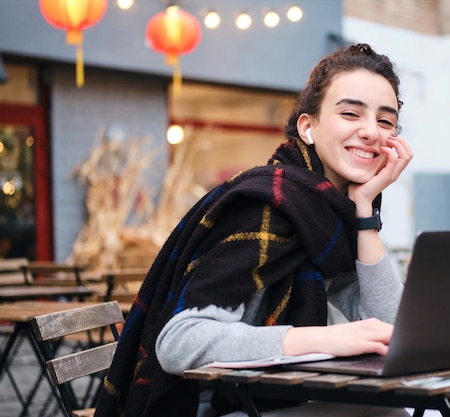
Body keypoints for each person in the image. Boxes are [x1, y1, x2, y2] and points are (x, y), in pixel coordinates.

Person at [94, 43, 413, 417]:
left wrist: (364, 212)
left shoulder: (328, 216)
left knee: (390, 413)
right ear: (308, 127)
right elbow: (178, 342)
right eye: (350, 113)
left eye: (385, 121)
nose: (371, 132)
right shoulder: (266, 205)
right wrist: (321, 339)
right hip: (208, 407)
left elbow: (393, 329)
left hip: (265, 400)